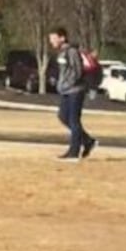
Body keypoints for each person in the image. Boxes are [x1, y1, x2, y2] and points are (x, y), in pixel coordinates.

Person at [48, 27, 97, 162]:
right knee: (63, 116)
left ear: (62, 38)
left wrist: (68, 83)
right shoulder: (61, 53)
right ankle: (88, 141)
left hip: (75, 90)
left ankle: (73, 153)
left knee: (74, 121)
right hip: (65, 91)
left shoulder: (72, 51)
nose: (51, 41)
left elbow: (77, 71)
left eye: (53, 38)